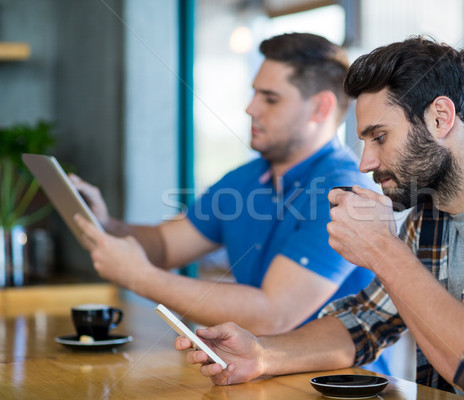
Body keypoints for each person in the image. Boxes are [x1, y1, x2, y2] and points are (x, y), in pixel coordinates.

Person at [174, 36, 464, 399]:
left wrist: (384, 250)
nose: (365, 162)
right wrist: (263, 354)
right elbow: (364, 323)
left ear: (440, 117)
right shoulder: (429, 214)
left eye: (379, 137)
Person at [73, 33, 401, 375]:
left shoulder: (343, 190)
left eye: (270, 99)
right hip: (252, 371)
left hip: (340, 385)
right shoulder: (244, 179)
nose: (250, 108)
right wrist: (106, 225)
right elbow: (166, 245)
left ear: (321, 108)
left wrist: (140, 278)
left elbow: (274, 314)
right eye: (254, 93)